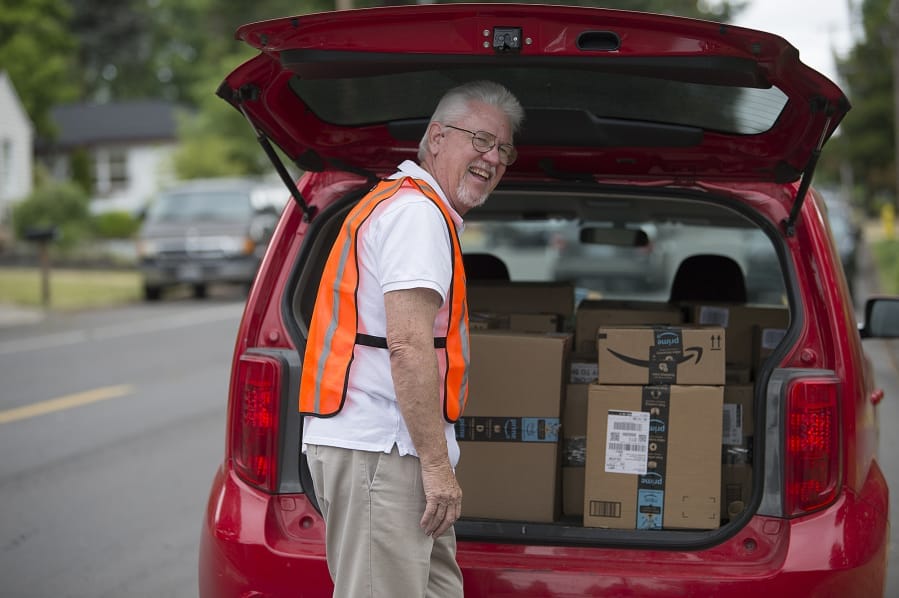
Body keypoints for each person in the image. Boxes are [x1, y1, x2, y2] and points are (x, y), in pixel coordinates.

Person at [299, 80, 524, 597]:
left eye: (504, 149)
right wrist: (439, 468)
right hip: (382, 451)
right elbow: (408, 345)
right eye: (481, 140)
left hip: (392, 451)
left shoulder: (409, 207)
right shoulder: (417, 215)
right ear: (437, 137)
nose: (493, 158)